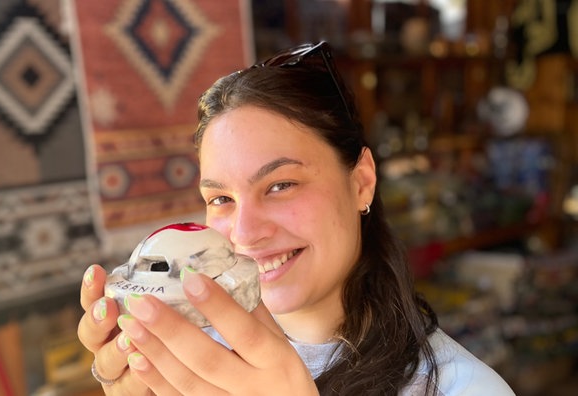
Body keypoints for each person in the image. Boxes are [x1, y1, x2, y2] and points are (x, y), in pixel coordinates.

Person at [77, 41, 515, 395]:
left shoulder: (466, 388)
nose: (245, 233)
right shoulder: (189, 358)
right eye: (221, 199)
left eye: (281, 185)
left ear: (361, 182)